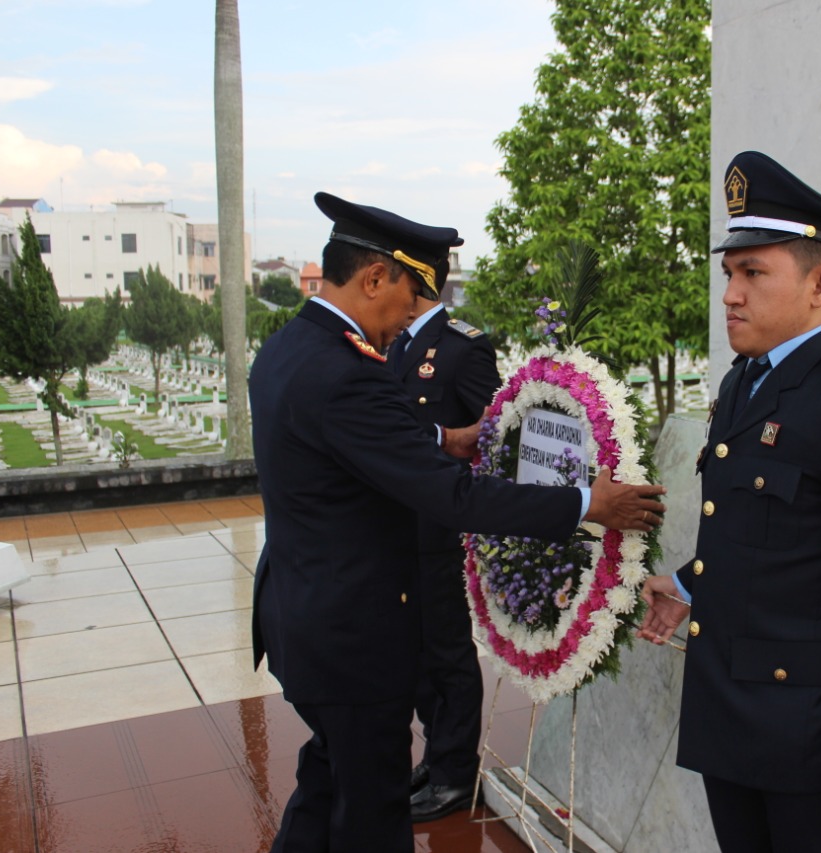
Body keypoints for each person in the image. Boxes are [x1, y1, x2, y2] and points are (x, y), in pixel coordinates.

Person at [250, 191, 667, 853]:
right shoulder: (344, 372)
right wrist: (589, 504)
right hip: (351, 636)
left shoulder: (288, 350)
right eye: (409, 293)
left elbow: (346, 440)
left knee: (328, 776)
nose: (407, 315)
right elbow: (456, 500)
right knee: (371, 813)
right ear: (374, 277)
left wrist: (443, 435)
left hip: (300, 616)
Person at [638, 151, 821, 853]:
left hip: (812, 742)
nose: (731, 295)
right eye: (728, 274)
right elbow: (758, 531)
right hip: (728, 715)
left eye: (753, 273)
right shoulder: (746, 382)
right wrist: (686, 584)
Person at [390, 272, 499, 822]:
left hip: (439, 530)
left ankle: (457, 772)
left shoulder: (464, 348)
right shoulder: (392, 343)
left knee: (447, 650)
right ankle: (437, 754)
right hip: (396, 528)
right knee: (415, 651)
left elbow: (494, 435)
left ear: (415, 283)